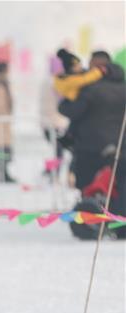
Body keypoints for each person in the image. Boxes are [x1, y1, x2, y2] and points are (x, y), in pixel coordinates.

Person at [59, 51, 126, 216]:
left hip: (91, 147)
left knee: (88, 186)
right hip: (120, 147)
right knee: (119, 186)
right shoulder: (123, 87)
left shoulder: (89, 89)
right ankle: (119, 220)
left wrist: (69, 95)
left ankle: (90, 220)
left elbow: (69, 111)